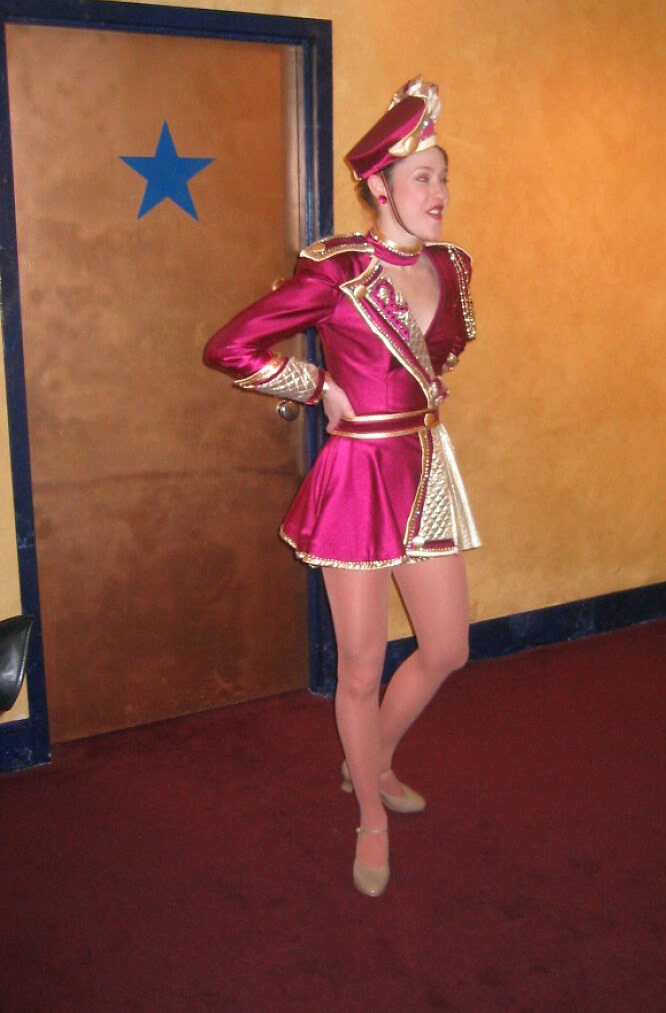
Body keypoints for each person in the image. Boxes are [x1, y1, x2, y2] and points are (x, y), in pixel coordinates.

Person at [204, 77, 480, 897]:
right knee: (359, 668)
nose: (437, 192)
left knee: (448, 649)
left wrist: (423, 390)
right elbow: (231, 346)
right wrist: (312, 385)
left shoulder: (453, 266)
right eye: (421, 176)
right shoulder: (336, 269)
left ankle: (373, 761)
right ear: (378, 186)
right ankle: (371, 814)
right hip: (356, 476)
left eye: (442, 174)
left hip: (423, 471)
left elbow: (444, 353)